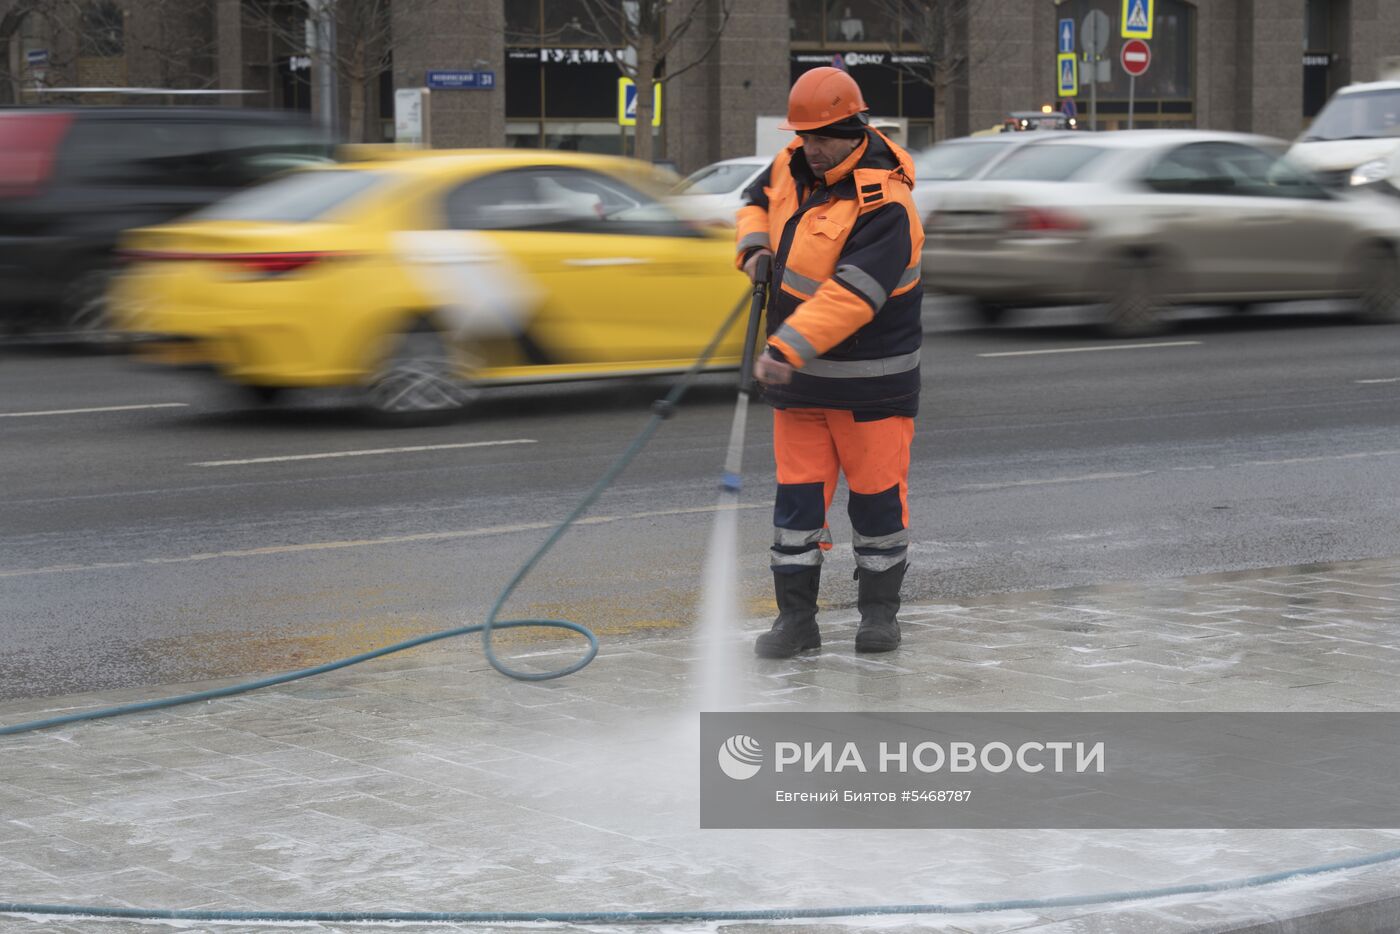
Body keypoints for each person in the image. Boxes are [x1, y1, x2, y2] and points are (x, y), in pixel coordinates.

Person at [735, 66, 924, 659]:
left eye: (821, 138)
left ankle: (878, 616)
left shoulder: (886, 204)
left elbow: (854, 294)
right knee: (795, 512)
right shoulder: (793, 162)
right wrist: (753, 246)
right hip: (800, 391)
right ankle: (797, 623)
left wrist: (784, 347)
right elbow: (754, 199)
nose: (809, 148)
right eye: (805, 135)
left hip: (871, 390)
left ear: (854, 129)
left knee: (876, 509)